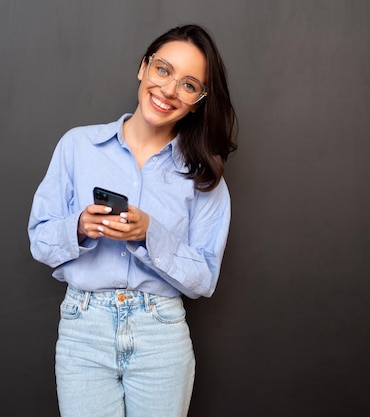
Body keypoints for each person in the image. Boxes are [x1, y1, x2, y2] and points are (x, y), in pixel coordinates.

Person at [28, 23, 237, 417]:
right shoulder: (78, 146)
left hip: (160, 334)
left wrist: (149, 235)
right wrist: (79, 227)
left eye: (189, 85)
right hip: (83, 329)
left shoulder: (204, 176)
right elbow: (39, 241)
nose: (170, 90)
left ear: (199, 101)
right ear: (144, 68)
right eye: (163, 70)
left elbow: (204, 279)